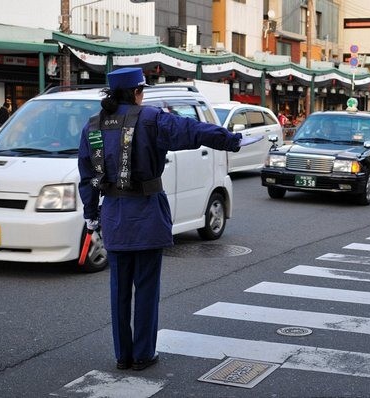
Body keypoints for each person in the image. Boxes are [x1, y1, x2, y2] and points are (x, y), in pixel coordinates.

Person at [77, 67, 259, 371]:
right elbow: (192, 130)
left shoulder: (93, 127)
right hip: (147, 214)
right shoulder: (149, 119)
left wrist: (92, 214)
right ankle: (143, 354)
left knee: (119, 291)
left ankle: (123, 356)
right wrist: (231, 140)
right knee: (146, 289)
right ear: (136, 92)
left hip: (114, 217)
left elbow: (88, 177)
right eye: (142, 90)